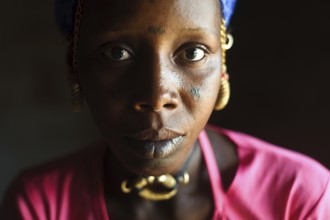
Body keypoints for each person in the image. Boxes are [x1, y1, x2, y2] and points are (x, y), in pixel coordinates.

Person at [0, 0, 329, 219]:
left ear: (222, 65)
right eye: (117, 53)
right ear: (74, 66)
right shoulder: (40, 206)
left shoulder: (298, 198)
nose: (157, 95)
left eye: (193, 52)